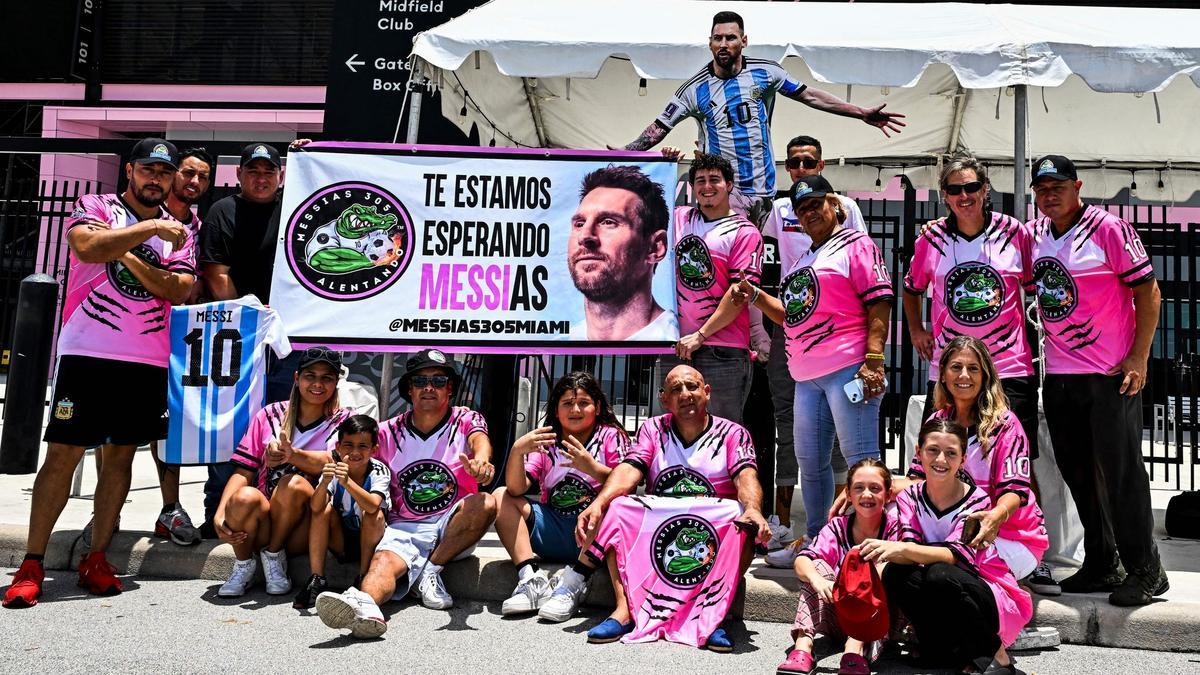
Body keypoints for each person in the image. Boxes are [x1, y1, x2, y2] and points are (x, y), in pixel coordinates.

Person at [3, 138, 194, 608]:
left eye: (165, 173)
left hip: (145, 357)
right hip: (88, 351)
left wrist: (125, 254)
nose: (157, 179)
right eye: (149, 169)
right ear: (130, 170)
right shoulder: (97, 205)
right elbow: (87, 246)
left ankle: (98, 556)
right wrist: (147, 231)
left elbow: (180, 289)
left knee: (120, 459)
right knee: (63, 455)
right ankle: (32, 561)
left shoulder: (182, 231)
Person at [902, 156, 1059, 593]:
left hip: (1009, 368)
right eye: (954, 190)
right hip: (954, 372)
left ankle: (1032, 556)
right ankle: (948, 539)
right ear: (944, 196)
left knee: (1018, 468)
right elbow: (911, 289)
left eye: (971, 187)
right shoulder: (930, 239)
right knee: (945, 460)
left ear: (986, 188)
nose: (964, 197)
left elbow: (1037, 287)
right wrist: (916, 329)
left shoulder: (1017, 233)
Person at [538, 365, 770, 652]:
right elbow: (629, 470)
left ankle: (712, 618)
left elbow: (746, 476)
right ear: (664, 399)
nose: (685, 394)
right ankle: (624, 611)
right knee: (619, 506)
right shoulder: (652, 429)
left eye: (692, 387)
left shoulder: (733, 433)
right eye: (676, 389)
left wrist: (753, 508)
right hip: (660, 525)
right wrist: (599, 503)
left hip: (711, 530)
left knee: (740, 517)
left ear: (707, 393)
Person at [1029, 154, 1167, 606]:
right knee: (1080, 474)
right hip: (1062, 374)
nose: (1050, 196)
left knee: (1121, 473)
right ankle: (1103, 561)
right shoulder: (1037, 236)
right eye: (1042, 189)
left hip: (1109, 373)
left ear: (1078, 185)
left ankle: (1146, 569)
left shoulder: (1108, 228)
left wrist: (1138, 358)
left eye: (1058, 187)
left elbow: (1149, 293)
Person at [617, 10, 904, 222]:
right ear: (710, 43)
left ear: (743, 41)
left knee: (756, 270)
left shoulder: (766, 73)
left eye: (730, 38)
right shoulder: (694, 90)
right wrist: (622, 153)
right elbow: (658, 128)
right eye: (717, 38)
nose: (724, 44)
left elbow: (810, 95)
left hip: (765, 190)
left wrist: (861, 113)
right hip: (724, 191)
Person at [732, 175, 892, 542]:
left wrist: (873, 358)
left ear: (834, 205)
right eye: (802, 209)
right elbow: (789, 313)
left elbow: (880, 301)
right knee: (811, 465)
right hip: (807, 377)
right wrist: (755, 295)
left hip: (849, 369)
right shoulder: (805, 257)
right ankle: (821, 543)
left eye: (816, 204)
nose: (809, 213)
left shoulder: (856, 244)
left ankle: (867, 543)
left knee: (861, 461)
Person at [315, 349, 496, 639]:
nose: (429, 388)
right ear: (409, 389)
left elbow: (480, 442)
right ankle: (365, 607)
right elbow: (338, 455)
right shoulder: (385, 432)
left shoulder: (465, 418)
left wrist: (481, 462)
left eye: (438, 381)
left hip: (453, 525)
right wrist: (291, 454)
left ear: (450, 389)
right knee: (382, 564)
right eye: (420, 380)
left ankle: (431, 571)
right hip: (405, 527)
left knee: (486, 502)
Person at [761, 135, 867, 563]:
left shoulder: (851, 226)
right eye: (794, 163)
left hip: (842, 352)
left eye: (809, 162)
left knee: (854, 450)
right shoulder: (789, 229)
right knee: (804, 448)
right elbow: (776, 277)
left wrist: (873, 355)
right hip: (800, 351)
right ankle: (809, 535)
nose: (801, 168)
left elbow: (873, 292)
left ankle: (857, 540)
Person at [866, 418, 1031, 675]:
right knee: (896, 573)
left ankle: (997, 656)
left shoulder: (977, 500)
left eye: (951, 453)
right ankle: (938, 649)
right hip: (943, 587)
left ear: (963, 460)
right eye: (932, 450)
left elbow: (954, 556)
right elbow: (911, 546)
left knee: (939, 573)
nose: (940, 459)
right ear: (918, 453)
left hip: (987, 591)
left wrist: (897, 549)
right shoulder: (910, 496)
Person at [197, 142, 289, 539]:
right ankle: (218, 508)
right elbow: (216, 274)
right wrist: (250, 319)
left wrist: (309, 153)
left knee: (282, 422)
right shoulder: (222, 211)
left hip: (286, 337)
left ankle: (273, 510)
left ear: (281, 176)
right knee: (229, 425)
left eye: (269, 171)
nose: (261, 177)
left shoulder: (294, 203)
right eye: (253, 170)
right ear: (239, 175)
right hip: (237, 334)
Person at [214, 348, 352, 598]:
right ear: (297, 378)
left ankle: (274, 555)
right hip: (266, 520)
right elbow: (244, 469)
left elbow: (335, 461)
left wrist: (293, 455)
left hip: (306, 527)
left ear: (336, 382)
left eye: (327, 378)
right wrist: (220, 512)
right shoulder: (269, 414)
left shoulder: (344, 420)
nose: (318, 384)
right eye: (310, 376)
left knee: (294, 484)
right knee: (245, 497)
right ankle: (244, 565)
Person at [493, 372, 629, 616]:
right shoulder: (548, 440)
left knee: (614, 505)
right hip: (553, 529)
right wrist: (516, 451)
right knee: (501, 495)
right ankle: (530, 579)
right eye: (567, 403)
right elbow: (517, 489)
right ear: (556, 410)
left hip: (595, 536)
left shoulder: (611, 436)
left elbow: (627, 484)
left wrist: (591, 467)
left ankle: (575, 581)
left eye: (583, 403)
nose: (575, 409)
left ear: (597, 407)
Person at [653, 153, 763, 424]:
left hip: (722, 352)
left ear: (729, 185)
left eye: (715, 179)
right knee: (666, 436)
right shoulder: (677, 219)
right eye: (700, 180)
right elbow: (643, 198)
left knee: (720, 437)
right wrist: (666, 163)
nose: (707, 186)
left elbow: (739, 294)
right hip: (675, 347)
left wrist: (700, 335)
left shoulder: (745, 233)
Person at [776, 459, 899, 675]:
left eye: (875, 488)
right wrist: (818, 579)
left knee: (887, 570)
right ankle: (803, 648)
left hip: (877, 621)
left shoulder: (896, 528)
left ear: (888, 495)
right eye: (859, 488)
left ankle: (855, 649)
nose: (866, 494)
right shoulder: (838, 526)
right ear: (849, 495)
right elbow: (801, 561)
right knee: (816, 566)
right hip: (840, 614)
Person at [151, 146, 214, 546]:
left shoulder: (200, 225)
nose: (194, 182)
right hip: (133, 334)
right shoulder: (146, 217)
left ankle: (168, 508)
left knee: (167, 425)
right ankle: (107, 514)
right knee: (117, 433)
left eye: (202, 177)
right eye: (188, 173)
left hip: (179, 338)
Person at [293, 414, 391, 609]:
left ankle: (363, 577)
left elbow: (372, 505)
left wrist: (347, 482)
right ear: (338, 447)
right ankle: (317, 578)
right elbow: (315, 507)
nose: (355, 452)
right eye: (348, 445)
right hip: (340, 540)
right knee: (323, 509)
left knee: (373, 514)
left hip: (370, 540)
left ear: (374, 449)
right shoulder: (333, 470)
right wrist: (325, 484)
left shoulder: (379, 471)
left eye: (363, 446)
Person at [568, 165, 676, 341]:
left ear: (655, 247)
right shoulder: (561, 342)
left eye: (608, 222)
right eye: (579, 224)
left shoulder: (677, 340)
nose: (585, 236)